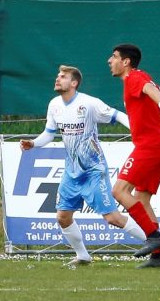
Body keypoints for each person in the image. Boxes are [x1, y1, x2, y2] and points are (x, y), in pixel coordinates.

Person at [20, 65, 147, 266]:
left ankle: (155, 243)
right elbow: (49, 133)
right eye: (57, 76)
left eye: (62, 77)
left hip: (94, 171)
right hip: (71, 173)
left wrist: (139, 130)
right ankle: (83, 256)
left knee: (113, 218)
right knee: (62, 217)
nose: (57, 79)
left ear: (74, 83)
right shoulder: (54, 105)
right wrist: (33, 143)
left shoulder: (89, 103)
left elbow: (118, 115)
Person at [108, 44, 160, 268]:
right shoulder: (138, 78)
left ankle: (154, 236)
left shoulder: (134, 77)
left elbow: (151, 89)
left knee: (119, 190)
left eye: (114, 57)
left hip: (150, 146)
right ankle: (157, 257)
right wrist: (157, 98)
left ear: (126, 62)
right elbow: (157, 89)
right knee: (142, 199)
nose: (110, 61)